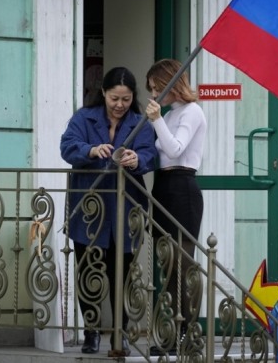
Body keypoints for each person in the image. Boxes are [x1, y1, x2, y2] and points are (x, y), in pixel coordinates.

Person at [60, 66, 157, 355]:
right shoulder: (83, 118)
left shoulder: (140, 123)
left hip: (126, 210)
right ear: (103, 93)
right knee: (88, 271)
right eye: (115, 98)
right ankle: (91, 333)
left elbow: (151, 155)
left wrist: (136, 157)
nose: (119, 105)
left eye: (126, 99)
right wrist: (90, 151)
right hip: (89, 208)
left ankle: (121, 335)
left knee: (123, 274)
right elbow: (66, 147)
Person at [145, 58, 207, 356]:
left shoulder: (192, 112)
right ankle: (172, 334)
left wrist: (156, 120)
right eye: (152, 89)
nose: (154, 94)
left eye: (158, 87)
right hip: (164, 187)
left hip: (183, 187)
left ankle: (189, 333)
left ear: (173, 83)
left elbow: (175, 149)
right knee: (167, 267)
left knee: (183, 265)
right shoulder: (170, 114)